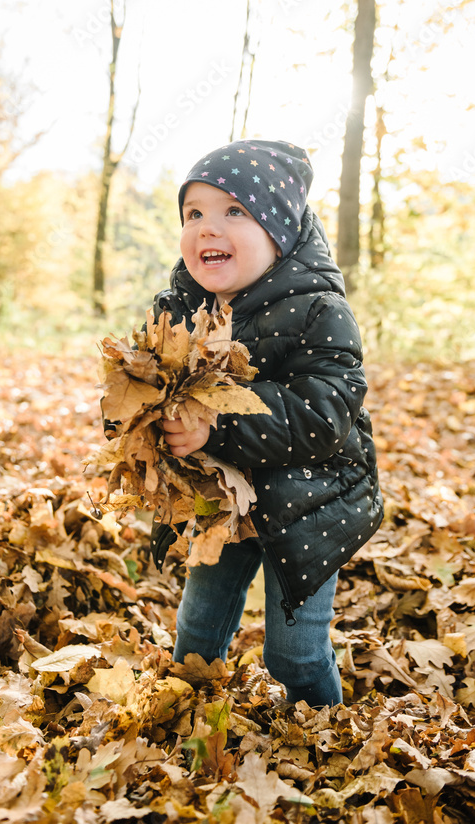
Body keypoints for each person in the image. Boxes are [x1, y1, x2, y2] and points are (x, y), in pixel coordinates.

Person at [103, 139, 382, 708]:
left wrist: (216, 429)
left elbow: (323, 413)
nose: (207, 228)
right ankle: (190, 716)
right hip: (222, 503)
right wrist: (141, 426)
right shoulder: (180, 307)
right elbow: (141, 388)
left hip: (308, 502)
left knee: (294, 655)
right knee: (197, 637)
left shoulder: (317, 308)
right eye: (194, 214)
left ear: (278, 230)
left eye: (234, 211)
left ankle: (326, 729)